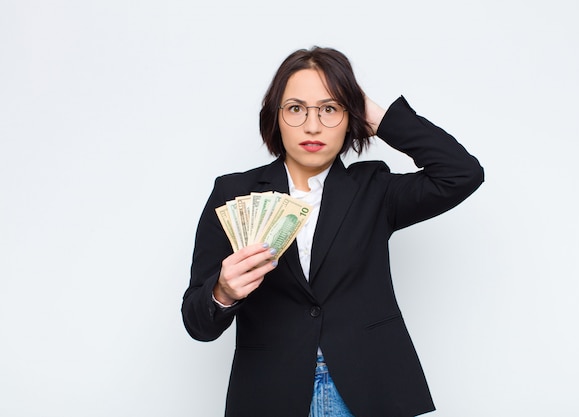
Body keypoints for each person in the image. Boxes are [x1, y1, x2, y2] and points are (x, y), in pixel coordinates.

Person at [182, 46, 484, 417]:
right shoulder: (233, 194)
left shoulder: (375, 189)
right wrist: (223, 292)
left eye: (330, 108)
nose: (312, 125)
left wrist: (374, 114)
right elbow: (197, 324)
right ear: (275, 117)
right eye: (296, 109)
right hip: (269, 392)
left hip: (368, 388)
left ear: (349, 116)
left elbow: (462, 173)